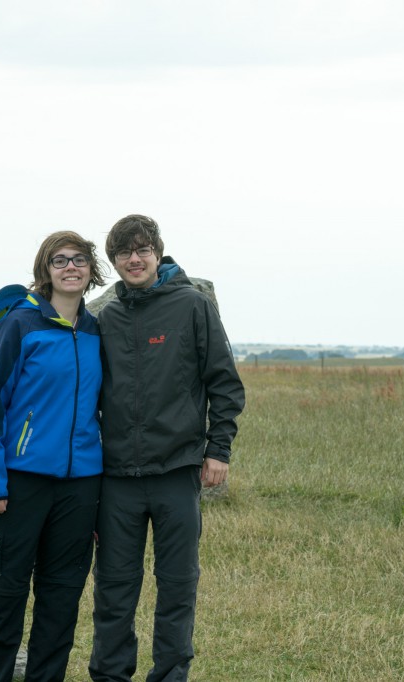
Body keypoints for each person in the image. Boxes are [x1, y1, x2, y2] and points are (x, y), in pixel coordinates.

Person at [89, 215, 246, 682]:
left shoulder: (192, 306)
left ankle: (170, 674)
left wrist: (219, 450)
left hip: (178, 472)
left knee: (178, 586)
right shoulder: (107, 317)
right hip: (117, 479)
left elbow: (225, 383)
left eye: (142, 250)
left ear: (158, 252)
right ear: (114, 261)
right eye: (123, 253)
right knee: (114, 589)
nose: (133, 260)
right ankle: (111, 675)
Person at [0, 230, 107, 682]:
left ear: (91, 271)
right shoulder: (20, 325)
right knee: (5, 595)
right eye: (60, 260)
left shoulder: (94, 331)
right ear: (44, 271)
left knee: (61, 599)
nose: (71, 267)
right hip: (20, 480)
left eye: (79, 260)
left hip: (80, 485)